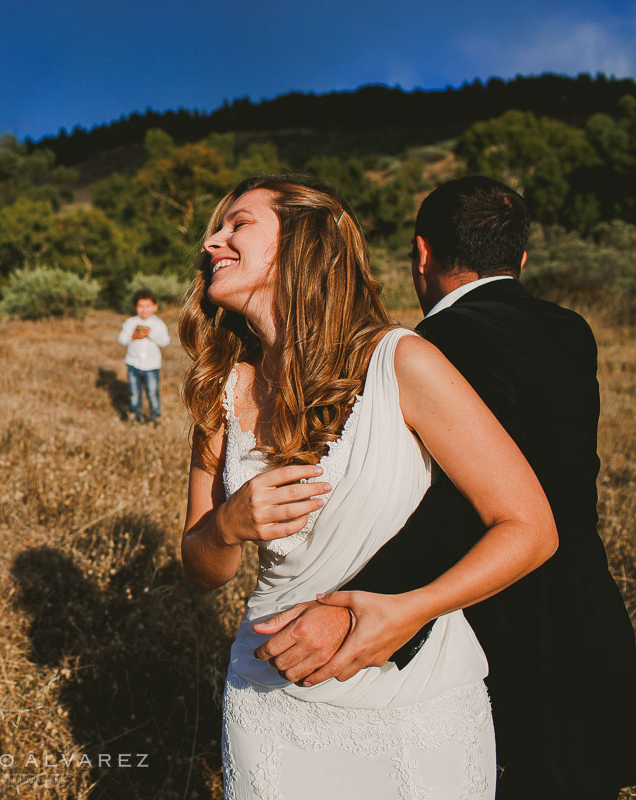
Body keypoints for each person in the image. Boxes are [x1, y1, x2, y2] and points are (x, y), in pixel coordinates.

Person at [247, 176, 636, 800]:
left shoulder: (427, 347)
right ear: (521, 259)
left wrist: (351, 605)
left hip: (492, 620)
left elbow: (447, 507)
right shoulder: (572, 330)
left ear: (422, 255)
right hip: (585, 615)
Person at [178, 175, 557, 799]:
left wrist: (407, 611)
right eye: (217, 227)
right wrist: (227, 526)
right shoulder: (219, 395)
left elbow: (530, 528)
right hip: (270, 699)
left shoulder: (400, 362)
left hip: (414, 699)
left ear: (304, 244)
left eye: (237, 224)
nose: (211, 240)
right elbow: (201, 569)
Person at [117, 289, 170, 423]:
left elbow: (165, 342)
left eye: (148, 306)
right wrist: (133, 336)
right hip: (133, 364)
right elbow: (121, 340)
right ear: (136, 307)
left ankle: (155, 417)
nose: (144, 310)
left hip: (152, 366)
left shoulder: (158, 324)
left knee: (152, 393)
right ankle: (136, 416)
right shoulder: (131, 322)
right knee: (134, 393)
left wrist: (150, 334)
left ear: (154, 307)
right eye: (141, 306)